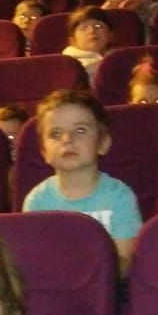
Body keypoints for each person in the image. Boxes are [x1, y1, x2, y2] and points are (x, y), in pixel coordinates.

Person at [21, 89, 141, 272]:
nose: (67, 139)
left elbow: (125, 264)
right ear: (44, 152)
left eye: (80, 130)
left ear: (103, 143)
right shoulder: (37, 201)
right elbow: (34, 262)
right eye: (55, 133)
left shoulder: (120, 197)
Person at [60, 6, 114, 82]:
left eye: (98, 26)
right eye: (83, 28)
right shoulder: (66, 65)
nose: (92, 31)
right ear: (73, 39)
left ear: (110, 34)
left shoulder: (119, 60)